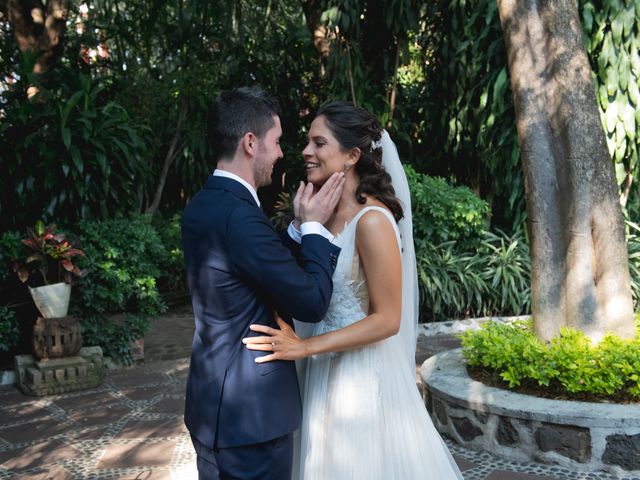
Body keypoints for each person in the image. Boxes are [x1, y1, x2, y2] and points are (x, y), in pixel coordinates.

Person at [243, 101, 464, 479]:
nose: (306, 152)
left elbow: (388, 319)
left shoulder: (373, 220)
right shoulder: (320, 216)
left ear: (351, 156)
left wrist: (306, 346)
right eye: (308, 143)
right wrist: (302, 223)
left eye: (319, 143)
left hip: (358, 380)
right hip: (320, 372)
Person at [181, 87, 346, 480]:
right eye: (275, 143)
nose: (282, 153)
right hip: (250, 419)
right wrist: (314, 229)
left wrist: (294, 229)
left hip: (212, 408)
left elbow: (254, 269)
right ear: (250, 143)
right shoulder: (239, 217)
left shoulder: (204, 205)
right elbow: (310, 301)